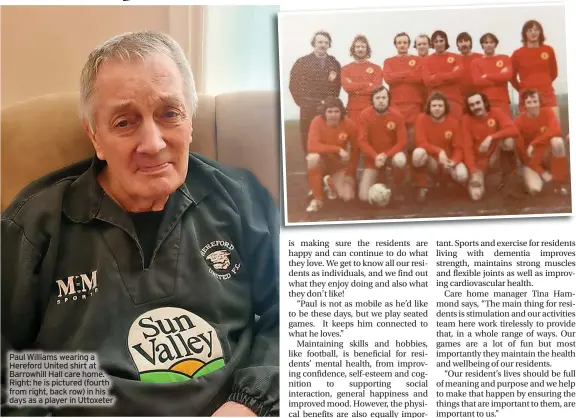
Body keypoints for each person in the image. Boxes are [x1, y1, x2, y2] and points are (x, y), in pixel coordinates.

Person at [1, 31, 279, 417]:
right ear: (94, 136)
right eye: (124, 122)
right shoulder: (36, 224)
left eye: (169, 114)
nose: (153, 143)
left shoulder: (240, 199)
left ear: (190, 121)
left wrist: (251, 402)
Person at [289, 31, 342, 154]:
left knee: (328, 138)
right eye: (320, 42)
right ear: (314, 44)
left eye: (326, 42)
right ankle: (311, 167)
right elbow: (294, 85)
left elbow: (337, 87)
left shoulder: (334, 63)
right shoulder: (302, 62)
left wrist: (329, 103)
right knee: (308, 138)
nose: (323, 45)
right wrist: (303, 103)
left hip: (327, 108)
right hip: (308, 108)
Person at [461, 92, 520, 201]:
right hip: (479, 162)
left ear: (484, 103)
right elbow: (467, 148)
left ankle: (509, 175)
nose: (475, 107)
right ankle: (482, 178)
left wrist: (491, 137)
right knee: (476, 196)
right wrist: (473, 170)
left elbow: (513, 130)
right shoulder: (466, 120)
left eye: (478, 103)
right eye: (472, 105)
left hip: (495, 155)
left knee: (509, 141)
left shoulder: (496, 112)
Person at [412, 92, 468, 202]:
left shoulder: (453, 123)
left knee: (462, 175)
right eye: (434, 106)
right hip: (431, 159)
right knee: (418, 153)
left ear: (445, 107)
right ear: (429, 107)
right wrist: (438, 151)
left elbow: (458, 147)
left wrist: (453, 162)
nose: (437, 109)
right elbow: (420, 142)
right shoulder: (421, 118)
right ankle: (423, 185)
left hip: (447, 160)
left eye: (440, 106)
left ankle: (451, 185)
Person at [305, 97, 358, 212]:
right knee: (313, 158)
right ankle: (317, 199)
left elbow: (355, 151)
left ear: (342, 112)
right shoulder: (317, 121)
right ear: (324, 112)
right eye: (329, 111)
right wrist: (337, 149)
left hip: (337, 165)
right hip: (322, 163)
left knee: (348, 197)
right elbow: (312, 146)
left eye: (336, 111)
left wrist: (350, 173)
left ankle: (327, 184)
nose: (333, 115)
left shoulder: (349, 124)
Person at [357, 86, 407, 204]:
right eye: (377, 98)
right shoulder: (364, 115)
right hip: (372, 158)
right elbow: (362, 141)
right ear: (372, 100)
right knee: (364, 197)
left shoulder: (397, 116)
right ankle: (380, 178)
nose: (380, 100)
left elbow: (402, 142)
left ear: (388, 99)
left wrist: (386, 155)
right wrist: (375, 156)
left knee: (400, 160)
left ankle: (397, 187)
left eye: (384, 97)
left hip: (391, 155)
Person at [514, 89, 568, 195]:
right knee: (535, 190)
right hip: (531, 161)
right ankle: (533, 175)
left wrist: (534, 143)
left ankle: (558, 179)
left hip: (546, 155)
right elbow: (523, 155)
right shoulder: (518, 122)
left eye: (535, 101)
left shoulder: (547, 112)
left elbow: (556, 131)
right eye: (529, 102)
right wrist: (541, 172)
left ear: (540, 102)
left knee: (558, 142)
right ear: (524, 105)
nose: (532, 105)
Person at [383, 32, 424, 151]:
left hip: (413, 102)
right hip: (396, 103)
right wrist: (407, 73)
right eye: (399, 43)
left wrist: (398, 76)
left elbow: (418, 78)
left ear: (409, 44)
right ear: (395, 45)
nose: (402, 45)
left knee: (413, 137)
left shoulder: (417, 60)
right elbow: (388, 78)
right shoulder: (389, 61)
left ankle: (411, 167)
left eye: (405, 42)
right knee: (396, 135)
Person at [511, 20, 559, 121]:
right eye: (530, 30)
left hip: (547, 94)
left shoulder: (548, 50)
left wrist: (544, 82)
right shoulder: (517, 54)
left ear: (540, 32)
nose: (533, 33)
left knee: (554, 125)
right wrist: (522, 89)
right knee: (530, 129)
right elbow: (512, 77)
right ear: (525, 34)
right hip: (527, 96)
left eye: (536, 30)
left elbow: (554, 73)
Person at [421, 30, 465, 119]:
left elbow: (458, 75)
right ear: (432, 44)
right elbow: (427, 81)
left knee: (455, 128)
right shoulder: (426, 60)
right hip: (435, 102)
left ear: (446, 41)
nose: (439, 44)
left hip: (454, 100)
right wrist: (450, 75)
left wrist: (436, 76)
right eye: (436, 41)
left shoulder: (456, 57)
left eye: (441, 41)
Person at [341, 35, 382, 123]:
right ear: (353, 49)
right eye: (357, 46)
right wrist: (367, 84)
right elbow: (347, 87)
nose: (360, 49)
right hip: (353, 109)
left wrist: (355, 87)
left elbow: (377, 89)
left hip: (371, 108)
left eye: (363, 46)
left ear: (367, 49)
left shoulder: (376, 68)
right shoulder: (345, 69)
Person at [471, 33, 513, 116]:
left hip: (502, 100)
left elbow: (508, 76)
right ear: (482, 45)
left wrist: (487, 76)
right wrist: (499, 78)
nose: (489, 45)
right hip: (485, 101)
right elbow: (477, 81)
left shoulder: (504, 58)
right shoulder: (476, 62)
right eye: (486, 42)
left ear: (495, 44)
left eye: (491, 42)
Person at [456, 32, 483, 100]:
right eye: (460, 42)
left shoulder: (481, 58)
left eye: (466, 41)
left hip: (479, 98)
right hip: (461, 99)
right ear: (457, 45)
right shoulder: (454, 60)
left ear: (470, 43)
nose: (464, 44)